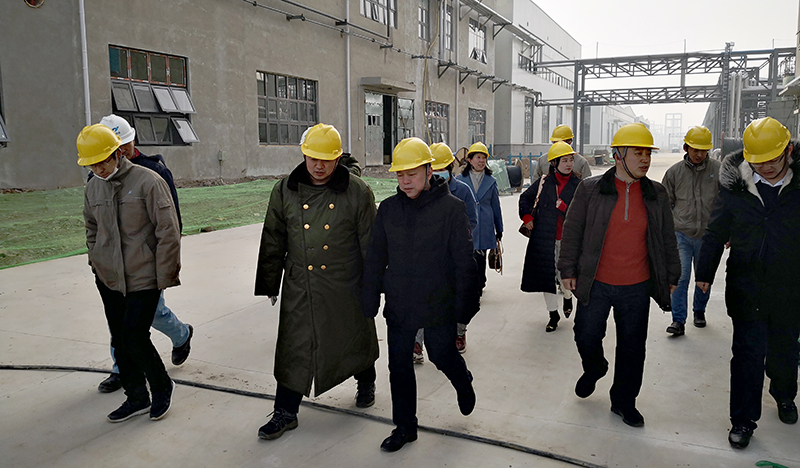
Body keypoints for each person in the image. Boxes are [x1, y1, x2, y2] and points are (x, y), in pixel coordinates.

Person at [254, 123, 379, 440]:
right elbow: (273, 237)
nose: (319, 166)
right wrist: (270, 281)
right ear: (304, 155)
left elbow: (371, 243)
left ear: (337, 159)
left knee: (353, 336)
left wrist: (375, 285)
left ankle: (366, 379)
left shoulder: (358, 192)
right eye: (313, 159)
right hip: (301, 283)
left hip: (344, 282)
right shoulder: (286, 190)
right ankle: (285, 411)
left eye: (326, 160)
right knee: (294, 345)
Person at [558, 123, 680, 428]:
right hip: (596, 282)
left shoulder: (656, 194)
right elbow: (572, 230)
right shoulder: (591, 189)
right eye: (638, 153)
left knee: (632, 347)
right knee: (585, 335)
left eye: (647, 154)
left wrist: (672, 275)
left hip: (636, 286)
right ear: (618, 155)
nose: (645, 159)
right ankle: (595, 367)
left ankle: (624, 401)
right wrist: (567, 269)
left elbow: (667, 237)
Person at [363, 137, 480, 452]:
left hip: (438, 301)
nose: (405, 181)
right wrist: (370, 298)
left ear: (429, 171)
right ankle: (405, 427)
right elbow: (375, 257)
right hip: (400, 301)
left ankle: (462, 380)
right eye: (400, 175)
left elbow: (464, 263)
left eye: (412, 174)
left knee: (441, 353)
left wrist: (465, 307)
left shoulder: (451, 209)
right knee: (399, 366)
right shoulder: (388, 210)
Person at [695, 117, 800, 449]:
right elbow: (715, 231)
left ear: (788, 150)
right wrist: (704, 273)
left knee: (785, 350)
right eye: (759, 161)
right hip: (747, 286)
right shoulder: (735, 189)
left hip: (790, 287)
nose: (766, 167)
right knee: (746, 355)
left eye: (773, 159)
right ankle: (742, 419)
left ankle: (784, 394)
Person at [78, 124, 181, 422]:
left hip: (143, 276)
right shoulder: (93, 187)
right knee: (120, 341)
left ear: (117, 153)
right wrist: (96, 260)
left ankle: (161, 387)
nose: (98, 169)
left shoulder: (149, 181)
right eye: (91, 165)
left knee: (134, 336)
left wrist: (165, 274)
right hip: (109, 277)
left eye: (102, 161)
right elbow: (91, 228)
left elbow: (168, 231)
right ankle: (136, 397)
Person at [94, 114, 193, 394]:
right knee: (120, 321)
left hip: (145, 263)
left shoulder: (153, 173)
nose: (121, 151)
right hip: (114, 266)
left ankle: (182, 334)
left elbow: (171, 222)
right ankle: (121, 369)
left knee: (153, 313)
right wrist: (97, 258)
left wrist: (166, 267)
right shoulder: (98, 174)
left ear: (133, 140)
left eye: (124, 144)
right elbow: (94, 222)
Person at [414, 142, 477, 363]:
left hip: (455, 257)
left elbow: (472, 221)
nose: (439, 173)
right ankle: (417, 343)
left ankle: (459, 332)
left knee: (458, 297)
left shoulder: (463, 191)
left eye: (443, 169)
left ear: (450, 169)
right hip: (427, 259)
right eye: (435, 169)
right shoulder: (420, 192)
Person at [661, 126, 720, 337]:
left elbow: (727, 204)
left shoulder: (718, 170)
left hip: (708, 235)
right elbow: (664, 204)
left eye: (703, 150)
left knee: (704, 278)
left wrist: (728, 232)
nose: (699, 154)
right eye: (695, 149)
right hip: (681, 233)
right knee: (681, 276)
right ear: (686, 148)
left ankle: (699, 310)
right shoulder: (674, 173)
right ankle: (678, 320)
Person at [519, 141, 581, 332]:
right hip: (544, 238)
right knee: (547, 277)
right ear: (554, 163)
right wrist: (527, 217)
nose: (569, 164)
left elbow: (584, 213)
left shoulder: (579, 185)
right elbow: (525, 198)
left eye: (571, 160)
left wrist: (564, 207)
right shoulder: (544, 182)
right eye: (565, 160)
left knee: (565, 276)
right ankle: (553, 314)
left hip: (568, 240)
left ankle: (568, 298)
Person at [456, 142, 503, 305]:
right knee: (469, 257)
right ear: (470, 160)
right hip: (467, 224)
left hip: (485, 224)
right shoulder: (460, 181)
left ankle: (480, 283)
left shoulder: (491, 181)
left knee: (480, 256)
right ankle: (472, 285)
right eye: (478, 157)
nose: (481, 161)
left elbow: (496, 206)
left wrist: (499, 229)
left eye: (484, 158)